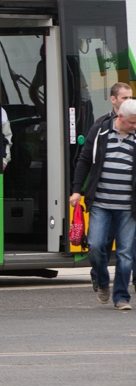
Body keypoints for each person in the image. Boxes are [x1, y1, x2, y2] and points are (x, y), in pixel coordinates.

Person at [70, 98, 136, 311]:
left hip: (128, 207)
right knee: (96, 246)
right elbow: (84, 161)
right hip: (100, 202)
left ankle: (121, 297)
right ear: (120, 118)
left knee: (125, 254)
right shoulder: (100, 131)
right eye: (132, 123)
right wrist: (77, 190)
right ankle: (102, 281)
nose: (134, 126)